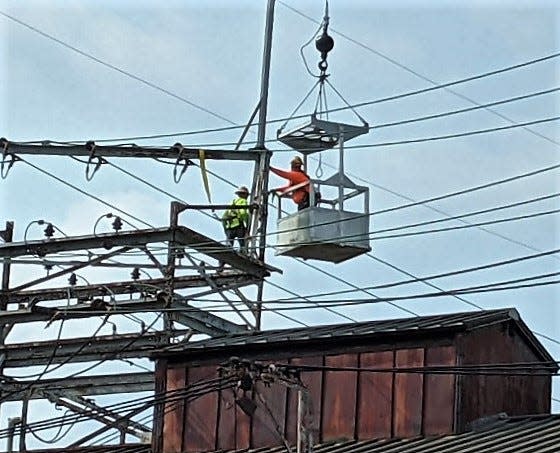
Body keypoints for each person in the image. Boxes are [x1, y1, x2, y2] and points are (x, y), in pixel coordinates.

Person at [222, 186, 250, 251]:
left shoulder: (232, 202)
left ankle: (223, 259)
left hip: (229, 227)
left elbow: (224, 217)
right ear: (245, 195)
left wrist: (225, 229)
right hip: (238, 226)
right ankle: (243, 251)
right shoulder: (243, 201)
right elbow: (243, 213)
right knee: (242, 243)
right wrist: (247, 222)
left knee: (228, 246)